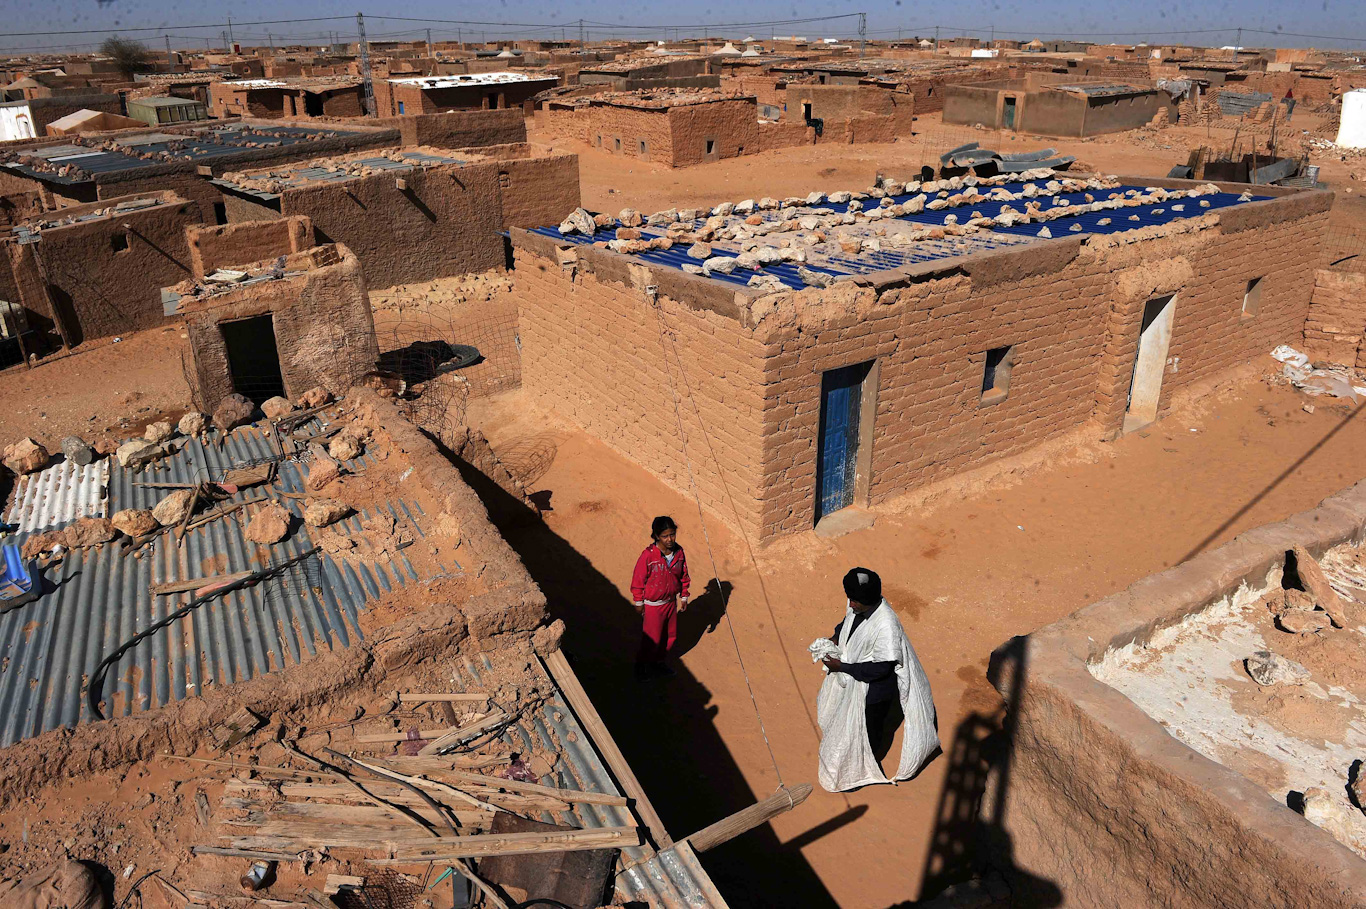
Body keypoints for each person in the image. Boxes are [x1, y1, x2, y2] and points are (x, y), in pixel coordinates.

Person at [816, 567, 939, 792]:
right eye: (850, 599)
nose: (851, 604)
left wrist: (841, 666)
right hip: (853, 681)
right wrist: (835, 637)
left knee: (867, 731)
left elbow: (881, 669)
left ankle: (859, 769)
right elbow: (847, 622)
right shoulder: (859, 603)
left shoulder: (886, 625)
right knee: (844, 726)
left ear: (869, 600)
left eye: (855, 601)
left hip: (873, 693)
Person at [631, 516, 690, 679]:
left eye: (672, 534)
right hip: (653, 606)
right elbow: (638, 579)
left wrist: (684, 596)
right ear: (657, 536)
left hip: (670, 603)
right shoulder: (648, 556)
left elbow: (684, 575)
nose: (670, 539)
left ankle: (658, 663)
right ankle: (641, 667)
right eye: (665, 536)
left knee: (669, 635)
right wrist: (639, 601)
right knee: (652, 638)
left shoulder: (679, 553)